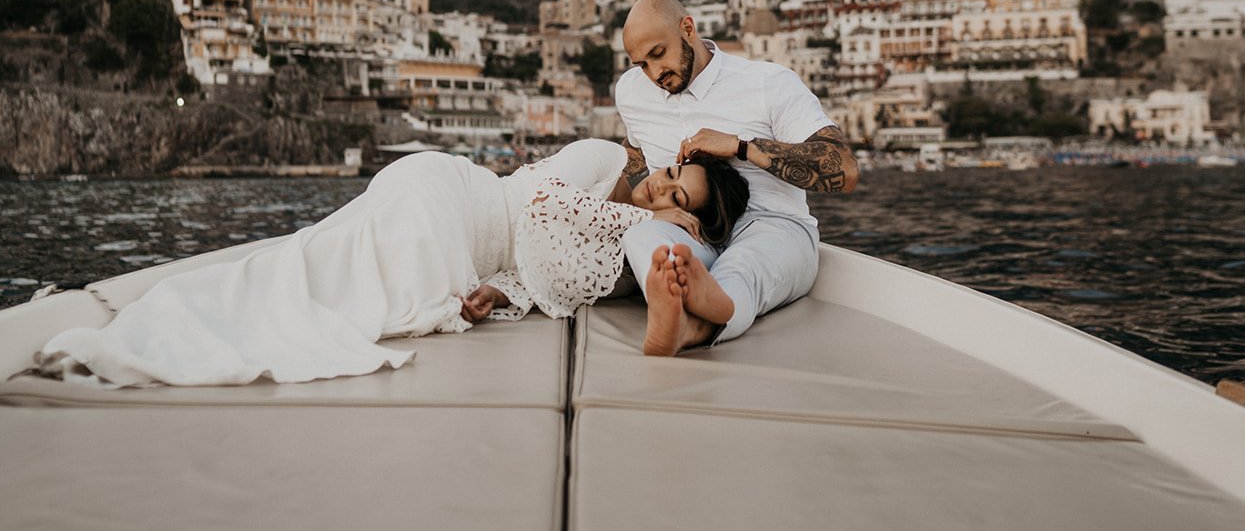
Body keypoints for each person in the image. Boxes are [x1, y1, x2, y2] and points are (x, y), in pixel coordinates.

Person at [37, 139, 749, 387]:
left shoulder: (626, 255)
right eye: (671, 179)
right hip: (456, 195)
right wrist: (647, 212)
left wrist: (494, 296)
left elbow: (536, 274)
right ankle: (159, 320)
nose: (661, 190)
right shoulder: (606, 163)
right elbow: (537, 205)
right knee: (361, 276)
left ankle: (173, 311)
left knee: (336, 267)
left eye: (677, 198)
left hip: (472, 248)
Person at [613, 0, 859, 357]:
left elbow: (844, 168)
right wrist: (640, 202)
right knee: (644, 234)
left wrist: (741, 147)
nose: (653, 73)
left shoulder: (768, 82)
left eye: (658, 53)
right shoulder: (631, 91)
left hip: (774, 225)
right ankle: (678, 304)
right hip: (691, 229)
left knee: (744, 265)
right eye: (641, 64)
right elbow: (633, 151)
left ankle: (694, 323)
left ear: (688, 29)